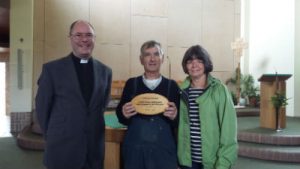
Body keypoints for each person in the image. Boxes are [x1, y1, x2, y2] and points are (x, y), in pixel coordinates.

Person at [35, 20, 112, 169]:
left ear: (94, 39)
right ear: (70, 38)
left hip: (93, 151)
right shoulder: (52, 70)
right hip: (62, 149)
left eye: (89, 35)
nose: (84, 39)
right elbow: (42, 108)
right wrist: (53, 136)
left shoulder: (105, 72)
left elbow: (101, 107)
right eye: (78, 35)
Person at [116, 40, 180, 169]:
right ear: (141, 59)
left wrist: (175, 116)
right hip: (135, 151)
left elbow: (179, 121)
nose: (152, 59)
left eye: (156, 54)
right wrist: (123, 113)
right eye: (147, 54)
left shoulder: (171, 86)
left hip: (163, 152)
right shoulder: (131, 84)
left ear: (162, 58)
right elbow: (121, 117)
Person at [177, 45, 237, 169]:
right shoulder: (181, 91)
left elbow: (229, 132)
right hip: (187, 163)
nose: (194, 65)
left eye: (199, 61)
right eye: (190, 61)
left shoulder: (220, 90)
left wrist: (223, 165)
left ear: (206, 64)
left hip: (212, 163)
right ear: (185, 66)